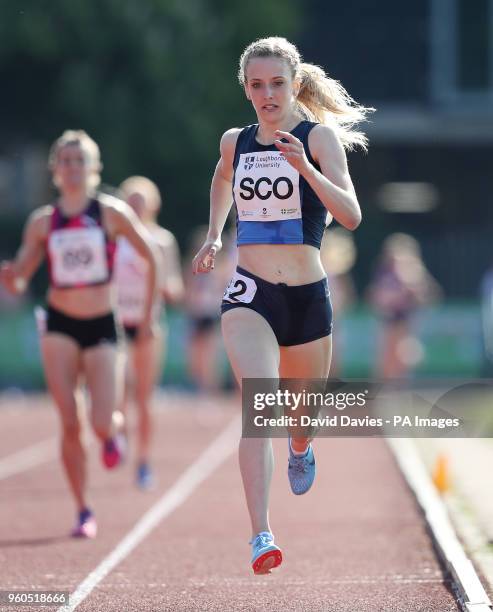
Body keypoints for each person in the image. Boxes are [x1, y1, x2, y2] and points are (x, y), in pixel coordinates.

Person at [192, 37, 372, 574]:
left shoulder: (319, 138)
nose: (267, 94)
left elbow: (352, 214)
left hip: (307, 299)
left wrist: (306, 168)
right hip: (250, 293)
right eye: (256, 85)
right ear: (245, 90)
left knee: (300, 418)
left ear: (296, 85)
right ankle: (260, 534)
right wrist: (215, 236)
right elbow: (222, 178)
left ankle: (301, 446)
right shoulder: (236, 142)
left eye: (276, 84)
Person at [0, 130, 157, 538]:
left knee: (101, 422)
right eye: (65, 161)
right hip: (59, 324)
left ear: (93, 168)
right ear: (55, 170)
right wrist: (12, 279)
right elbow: (21, 278)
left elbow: (151, 255)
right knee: (70, 422)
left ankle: (113, 432)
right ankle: (83, 510)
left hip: (102, 324)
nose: (72, 168)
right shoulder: (42, 222)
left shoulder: (112, 213)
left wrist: (149, 312)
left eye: (79, 161)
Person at [114, 176, 184, 489]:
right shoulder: (113, 238)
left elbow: (175, 288)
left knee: (144, 396)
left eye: (141, 201)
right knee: (117, 392)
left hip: (148, 325)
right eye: (131, 200)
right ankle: (118, 438)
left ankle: (143, 461)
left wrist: (160, 282)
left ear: (153, 204)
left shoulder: (162, 240)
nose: (136, 206)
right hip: (115, 323)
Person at [366, 233, 441, 378]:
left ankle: (399, 391)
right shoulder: (383, 272)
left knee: (403, 358)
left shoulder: (415, 270)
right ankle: (385, 391)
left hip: (406, 321)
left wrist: (412, 290)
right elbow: (375, 297)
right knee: (386, 359)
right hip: (387, 320)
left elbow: (430, 295)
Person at [184, 225, 235, 394]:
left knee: (211, 354)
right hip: (198, 313)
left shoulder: (220, 269)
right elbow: (189, 291)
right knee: (196, 355)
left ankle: (212, 389)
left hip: (213, 312)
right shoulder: (194, 267)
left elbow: (224, 289)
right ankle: (202, 387)